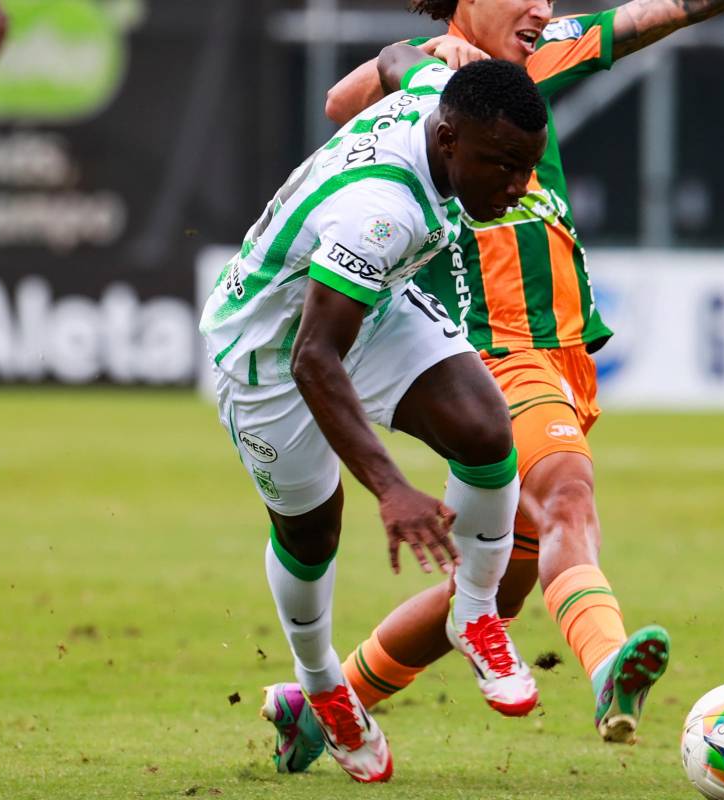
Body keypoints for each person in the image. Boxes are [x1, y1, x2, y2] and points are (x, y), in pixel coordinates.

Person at [258, 0, 724, 772]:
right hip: (495, 355)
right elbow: (341, 101)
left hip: (566, 355)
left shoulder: (547, 53)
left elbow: (668, 12)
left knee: (501, 588)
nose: (543, 6)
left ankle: (321, 705)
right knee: (567, 498)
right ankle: (610, 666)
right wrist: (428, 61)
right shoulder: (435, 84)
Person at [200, 48, 550, 781]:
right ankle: (323, 684)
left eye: (527, 168)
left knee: (486, 431)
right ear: (448, 139)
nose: (516, 188)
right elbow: (313, 360)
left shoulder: (439, 96)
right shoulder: (381, 213)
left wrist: (436, 52)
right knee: (310, 529)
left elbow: (400, 62)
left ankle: (475, 612)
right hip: (271, 345)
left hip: (366, 302)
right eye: (500, 165)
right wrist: (391, 488)